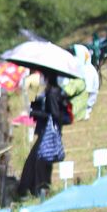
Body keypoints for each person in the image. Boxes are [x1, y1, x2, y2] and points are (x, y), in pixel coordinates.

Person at [17, 70, 73, 199]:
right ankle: (33, 190)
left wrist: (35, 113)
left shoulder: (53, 92)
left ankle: (39, 190)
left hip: (48, 133)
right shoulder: (52, 91)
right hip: (44, 130)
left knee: (40, 161)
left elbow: (54, 115)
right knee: (36, 161)